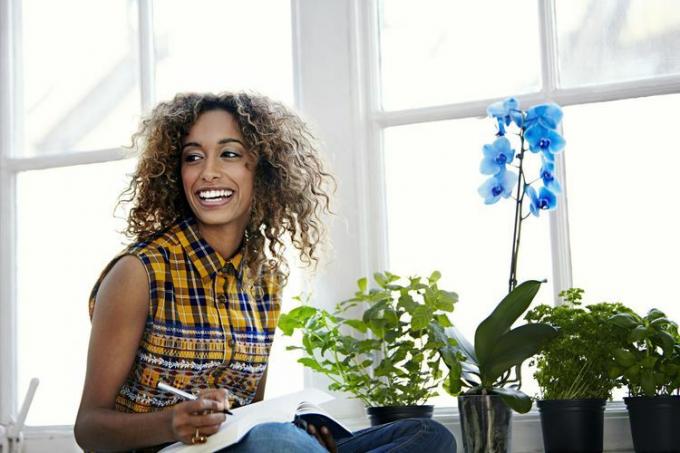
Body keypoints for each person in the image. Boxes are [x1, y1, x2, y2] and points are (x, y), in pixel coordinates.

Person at [74, 92, 456, 452]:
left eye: (228, 154)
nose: (208, 172)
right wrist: (172, 422)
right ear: (177, 173)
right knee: (274, 441)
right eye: (193, 157)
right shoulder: (138, 272)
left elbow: (247, 419)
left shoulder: (265, 280)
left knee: (426, 435)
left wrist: (301, 429)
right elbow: (89, 429)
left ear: (263, 170)